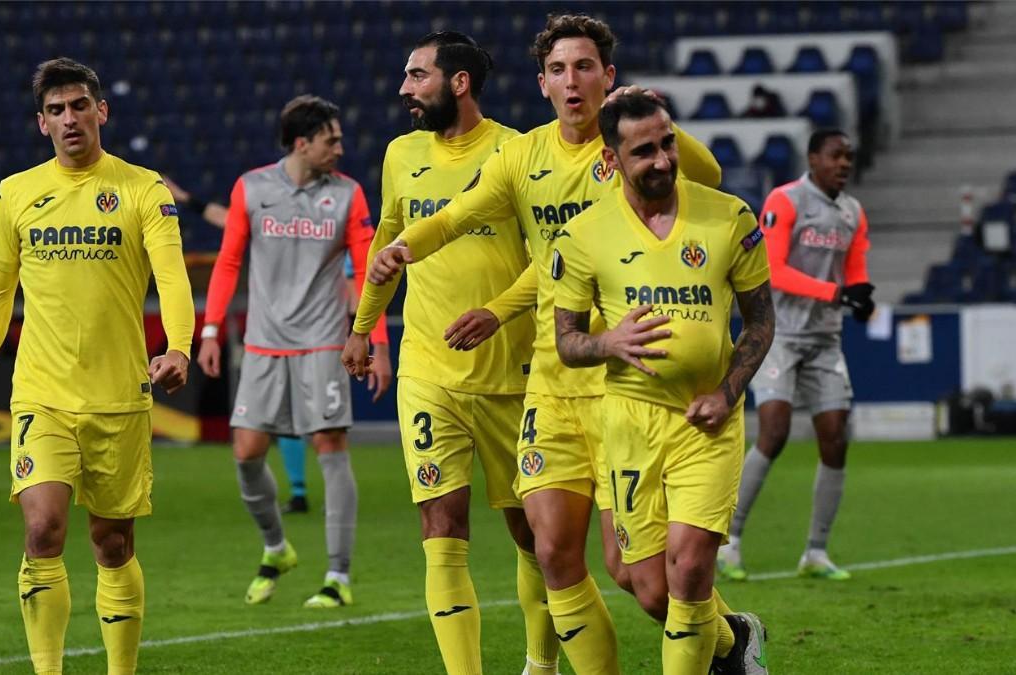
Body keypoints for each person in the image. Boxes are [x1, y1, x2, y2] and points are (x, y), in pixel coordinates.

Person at [355, 14, 722, 673]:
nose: (571, 80)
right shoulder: (522, 157)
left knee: (639, 576)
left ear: (608, 77)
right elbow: (455, 216)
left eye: (585, 67)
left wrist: (653, 120)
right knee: (552, 553)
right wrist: (402, 250)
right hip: (550, 378)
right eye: (558, 69)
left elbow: (711, 176)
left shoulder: (631, 151)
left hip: (624, 383)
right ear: (542, 83)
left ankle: (727, 639)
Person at [0, 57, 194, 675]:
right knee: (43, 532)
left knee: (113, 544)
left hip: (119, 397)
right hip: (42, 396)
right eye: (56, 110)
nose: (69, 118)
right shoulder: (17, 193)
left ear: (101, 111)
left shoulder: (143, 189)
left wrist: (180, 345)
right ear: (41, 124)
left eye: (79, 105)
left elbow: (173, 278)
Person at [341, 31, 556, 675]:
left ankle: (540, 665)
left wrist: (498, 313)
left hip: (513, 373)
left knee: (532, 533)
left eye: (417, 76)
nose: (404, 90)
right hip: (428, 371)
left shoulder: (517, 152)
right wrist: (363, 326)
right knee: (442, 527)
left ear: (457, 82)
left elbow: (553, 260)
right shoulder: (401, 154)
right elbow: (389, 238)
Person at [553, 91, 774, 675]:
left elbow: (761, 320)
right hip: (628, 424)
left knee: (692, 571)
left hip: (707, 423)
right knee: (649, 588)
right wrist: (607, 343)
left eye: (667, 143)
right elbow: (567, 341)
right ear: (613, 159)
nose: (661, 160)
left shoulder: (729, 217)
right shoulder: (584, 235)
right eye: (644, 150)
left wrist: (727, 394)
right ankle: (734, 641)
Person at [197, 95, 392, 608]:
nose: (341, 148)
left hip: (322, 343)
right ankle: (276, 547)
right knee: (245, 454)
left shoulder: (348, 195)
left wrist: (377, 342)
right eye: (332, 139)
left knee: (330, 448)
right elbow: (228, 261)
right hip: (262, 345)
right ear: (302, 143)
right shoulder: (252, 188)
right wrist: (212, 331)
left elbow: (369, 270)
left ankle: (338, 577)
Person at [719, 129, 874, 582]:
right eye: (835, 155)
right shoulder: (785, 201)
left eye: (849, 156)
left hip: (825, 338)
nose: (844, 163)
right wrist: (836, 292)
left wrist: (861, 295)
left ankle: (816, 552)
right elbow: (774, 268)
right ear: (813, 158)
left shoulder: (852, 212)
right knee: (775, 430)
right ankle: (730, 541)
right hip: (779, 334)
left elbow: (857, 268)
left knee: (835, 437)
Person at [162, 176, 364, 516]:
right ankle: (299, 492)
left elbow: (353, 285)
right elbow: (228, 219)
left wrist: (359, 334)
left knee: (323, 430)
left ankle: (335, 510)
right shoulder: (275, 222)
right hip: (278, 338)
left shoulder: (334, 230)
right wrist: (186, 197)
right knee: (283, 418)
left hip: (322, 340)